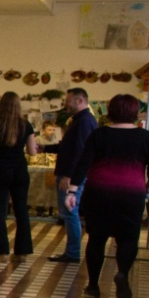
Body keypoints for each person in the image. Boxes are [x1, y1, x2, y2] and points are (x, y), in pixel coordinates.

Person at [69, 93, 149, 298]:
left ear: (111, 111)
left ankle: (93, 285)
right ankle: (122, 273)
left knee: (97, 239)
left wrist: (72, 191)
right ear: (135, 112)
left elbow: (83, 164)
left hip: (99, 193)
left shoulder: (99, 135)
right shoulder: (146, 137)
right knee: (128, 238)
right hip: (131, 195)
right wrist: (148, 189)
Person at [0, 92, 41, 258]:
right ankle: (23, 250)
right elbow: (32, 152)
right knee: (21, 209)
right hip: (20, 169)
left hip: (0, 168)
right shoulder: (25, 125)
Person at [44, 87, 97, 264]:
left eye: (68, 100)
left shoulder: (83, 122)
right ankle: (71, 251)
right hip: (71, 174)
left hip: (72, 176)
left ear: (80, 101)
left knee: (69, 213)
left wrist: (68, 175)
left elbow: (79, 152)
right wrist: (45, 148)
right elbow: (67, 147)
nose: (65, 104)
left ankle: (73, 252)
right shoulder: (79, 121)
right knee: (68, 213)